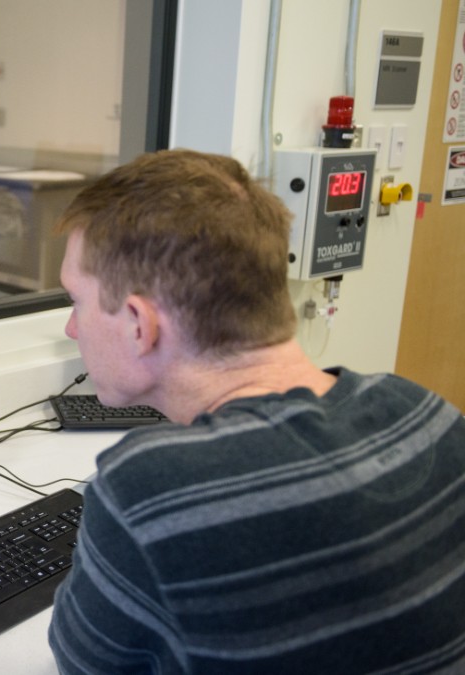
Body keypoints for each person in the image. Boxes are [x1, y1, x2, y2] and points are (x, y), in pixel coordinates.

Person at [48, 148, 465, 674]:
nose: (72, 328)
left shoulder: (151, 490)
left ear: (139, 324)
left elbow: (78, 665)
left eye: (75, 301)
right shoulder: (428, 414)